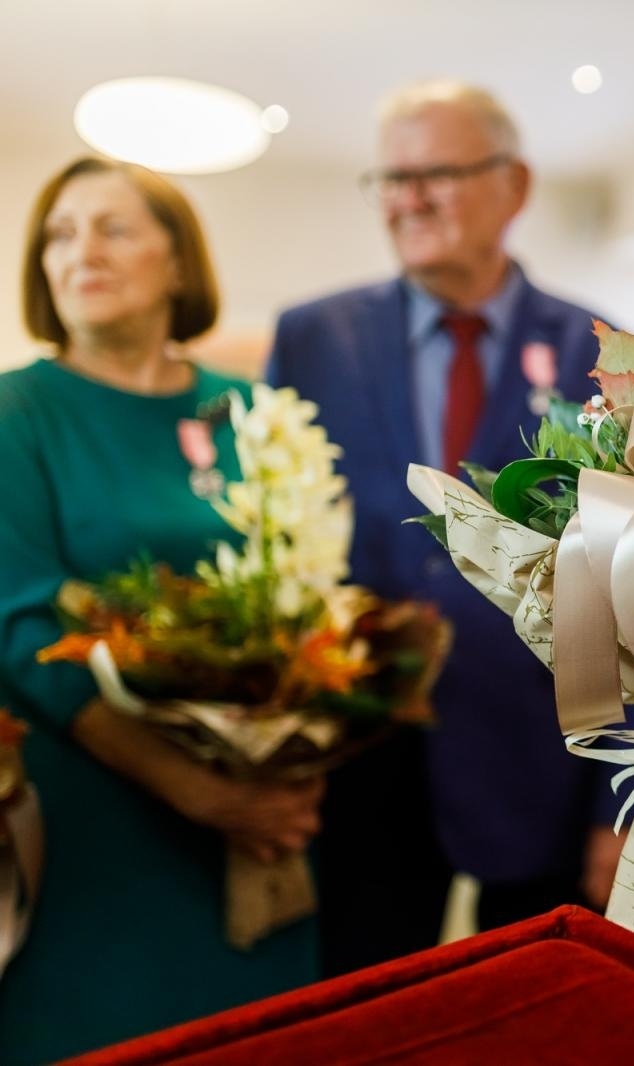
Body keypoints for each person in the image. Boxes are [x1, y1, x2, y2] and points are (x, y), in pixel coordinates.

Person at [267, 80, 634, 975]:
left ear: (513, 185)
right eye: (391, 178)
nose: (408, 199)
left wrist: (619, 802)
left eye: (436, 172)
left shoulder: (605, 355)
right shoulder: (312, 339)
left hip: (545, 770)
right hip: (356, 776)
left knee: (543, 1020)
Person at [0, 157, 320, 1062]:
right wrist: (201, 793)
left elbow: (310, 601)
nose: (80, 252)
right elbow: (20, 631)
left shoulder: (254, 412)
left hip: (261, 826)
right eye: (59, 235)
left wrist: (287, 771)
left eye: (112, 228)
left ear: (178, 263)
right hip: (92, 828)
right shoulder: (17, 413)